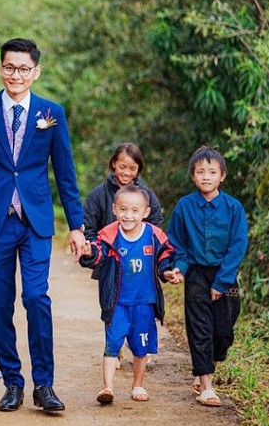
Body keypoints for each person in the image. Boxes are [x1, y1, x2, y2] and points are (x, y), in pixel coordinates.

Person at [0, 38, 85, 413]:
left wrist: (76, 225)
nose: (16, 75)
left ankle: (44, 385)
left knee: (36, 297)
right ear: (1, 69)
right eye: (10, 67)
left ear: (36, 72)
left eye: (24, 68)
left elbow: (65, 174)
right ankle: (13, 382)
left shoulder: (51, 113)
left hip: (35, 222)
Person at [166, 146, 248, 407]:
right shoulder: (185, 206)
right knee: (200, 328)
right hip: (196, 274)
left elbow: (238, 245)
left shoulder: (233, 208)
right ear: (193, 176)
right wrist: (179, 267)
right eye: (200, 172)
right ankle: (206, 386)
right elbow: (177, 242)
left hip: (225, 273)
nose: (206, 176)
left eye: (212, 172)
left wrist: (222, 282)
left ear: (222, 176)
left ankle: (209, 365)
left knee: (223, 331)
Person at [79, 185, 176, 404]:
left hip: (144, 303)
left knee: (141, 349)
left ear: (146, 212)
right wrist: (89, 252)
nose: (128, 215)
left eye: (134, 210)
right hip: (117, 303)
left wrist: (167, 271)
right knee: (112, 344)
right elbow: (99, 254)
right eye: (123, 209)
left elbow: (165, 256)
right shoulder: (109, 235)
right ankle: (107, 387)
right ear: (114, 209)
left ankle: (138, 385)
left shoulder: (154, 234)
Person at [84, 142, 163, 368]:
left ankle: (139, 343)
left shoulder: (146, 195)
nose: (126, 173)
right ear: (113, 165)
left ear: (139, 170)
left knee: (142, 304)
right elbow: (90, 228)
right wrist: (95, 251)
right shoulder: (98, 195)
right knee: (111, 304)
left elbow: (156, 225)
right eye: (122, 167)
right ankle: (114, 348)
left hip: (141, 265)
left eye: (132, 168)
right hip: (110, 264)